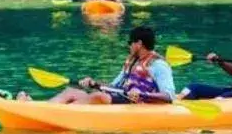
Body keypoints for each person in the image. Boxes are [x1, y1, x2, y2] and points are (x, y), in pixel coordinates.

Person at [46, 25, 176, 104]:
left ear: (139, 44)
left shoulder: (158, 65)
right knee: (71, 91)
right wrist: (94, 83)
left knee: (99, 97)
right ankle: (44, 108)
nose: (129, 46)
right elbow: (113, 86)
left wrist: (142, 94)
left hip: (138, 103)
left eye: (130, 42)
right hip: (121, 98)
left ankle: (64, 113)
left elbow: (169, 96)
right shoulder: (132, 62)